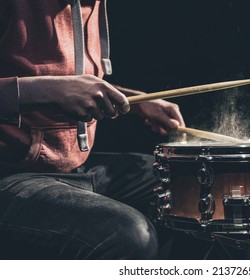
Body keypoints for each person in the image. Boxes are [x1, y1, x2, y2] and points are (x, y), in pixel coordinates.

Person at [0, 0, 185, 259]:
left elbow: (65, 79)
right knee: (128, 234)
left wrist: (135, 101)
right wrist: (48, 91)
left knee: (191, 188)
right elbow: (53, 85)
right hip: (9, 173)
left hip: (74, 167)